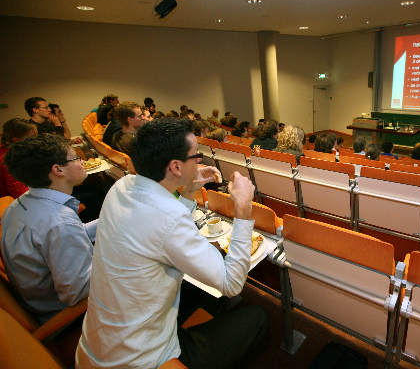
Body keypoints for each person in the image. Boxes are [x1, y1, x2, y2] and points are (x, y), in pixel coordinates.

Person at [76, 118, 268, 368]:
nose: (199, 161)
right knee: (257, 317)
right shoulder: (169, 217)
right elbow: (231, 283)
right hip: (138, 358)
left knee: (203, 294)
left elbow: (158, 229)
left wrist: (187, 192)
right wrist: (243, 209)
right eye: (195, 156)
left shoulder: (122, 187)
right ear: (176, 166)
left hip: (101, 342)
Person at [1, 134, 96, 323]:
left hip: (41, 303)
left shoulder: (19, 205)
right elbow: (78, 293)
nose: (82, 161)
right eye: (76, 157)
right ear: (58, 169)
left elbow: (68, 236)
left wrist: (112, 221)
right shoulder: (59, 223)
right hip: (71, 317)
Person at [0, 119, 37, 198]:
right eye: (30, 138)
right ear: (16, 140)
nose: (34, 141)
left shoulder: (11, 151)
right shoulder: (9, 159)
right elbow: (19, 192)